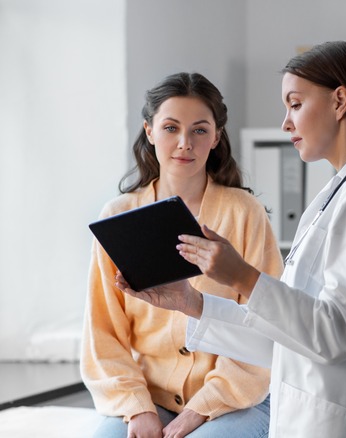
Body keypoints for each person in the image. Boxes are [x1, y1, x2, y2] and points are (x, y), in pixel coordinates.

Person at [118, 41, 346, 437]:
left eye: (295, 104)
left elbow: (338, 333)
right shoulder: (339, 192)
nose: (286, 123)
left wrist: (242, 276)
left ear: (340, 101)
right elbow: (286, 338)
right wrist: (190, 302)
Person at [81, 72, 284, 438]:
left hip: (238, 398)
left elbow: (268, 323)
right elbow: (102, 334)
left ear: (217, 136)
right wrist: (137, 409)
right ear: (149, 130)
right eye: (171, 128)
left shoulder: (245, 213)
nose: (184, 143)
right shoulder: (117, 217)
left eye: (200, 130)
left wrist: (197, 413)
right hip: (148, 397)